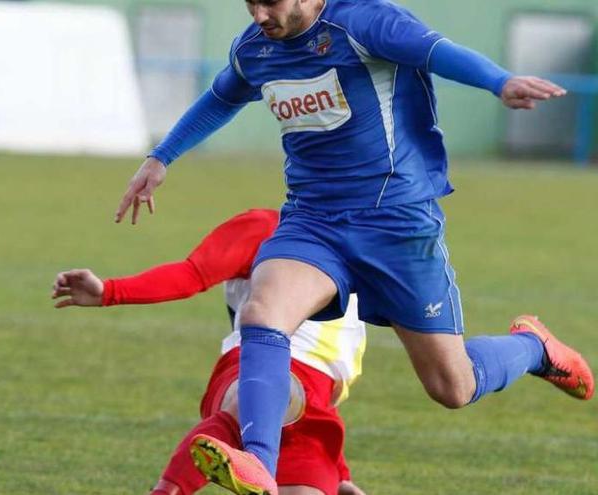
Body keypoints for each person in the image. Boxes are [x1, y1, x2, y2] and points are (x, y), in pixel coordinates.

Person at [113, 1, 594, 493]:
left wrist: (499, 81)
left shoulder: (364, 22)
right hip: (312, 220)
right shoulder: (255, 48)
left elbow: (436, 52)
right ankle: (256, 462)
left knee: (453, 387)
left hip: (397, 224)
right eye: (250, 3)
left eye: (270, 2)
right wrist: (161, 158)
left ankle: (533, 347)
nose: (259, 15)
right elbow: (221, 97)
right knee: (262, 313)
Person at [54, 208, 368, 495]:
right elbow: (192, 274)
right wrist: (110, 291)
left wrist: (339, 470)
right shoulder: (265, 227)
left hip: (316, 412)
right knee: (270, 396)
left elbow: (330, 372)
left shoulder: (368, 248)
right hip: (257, 368)